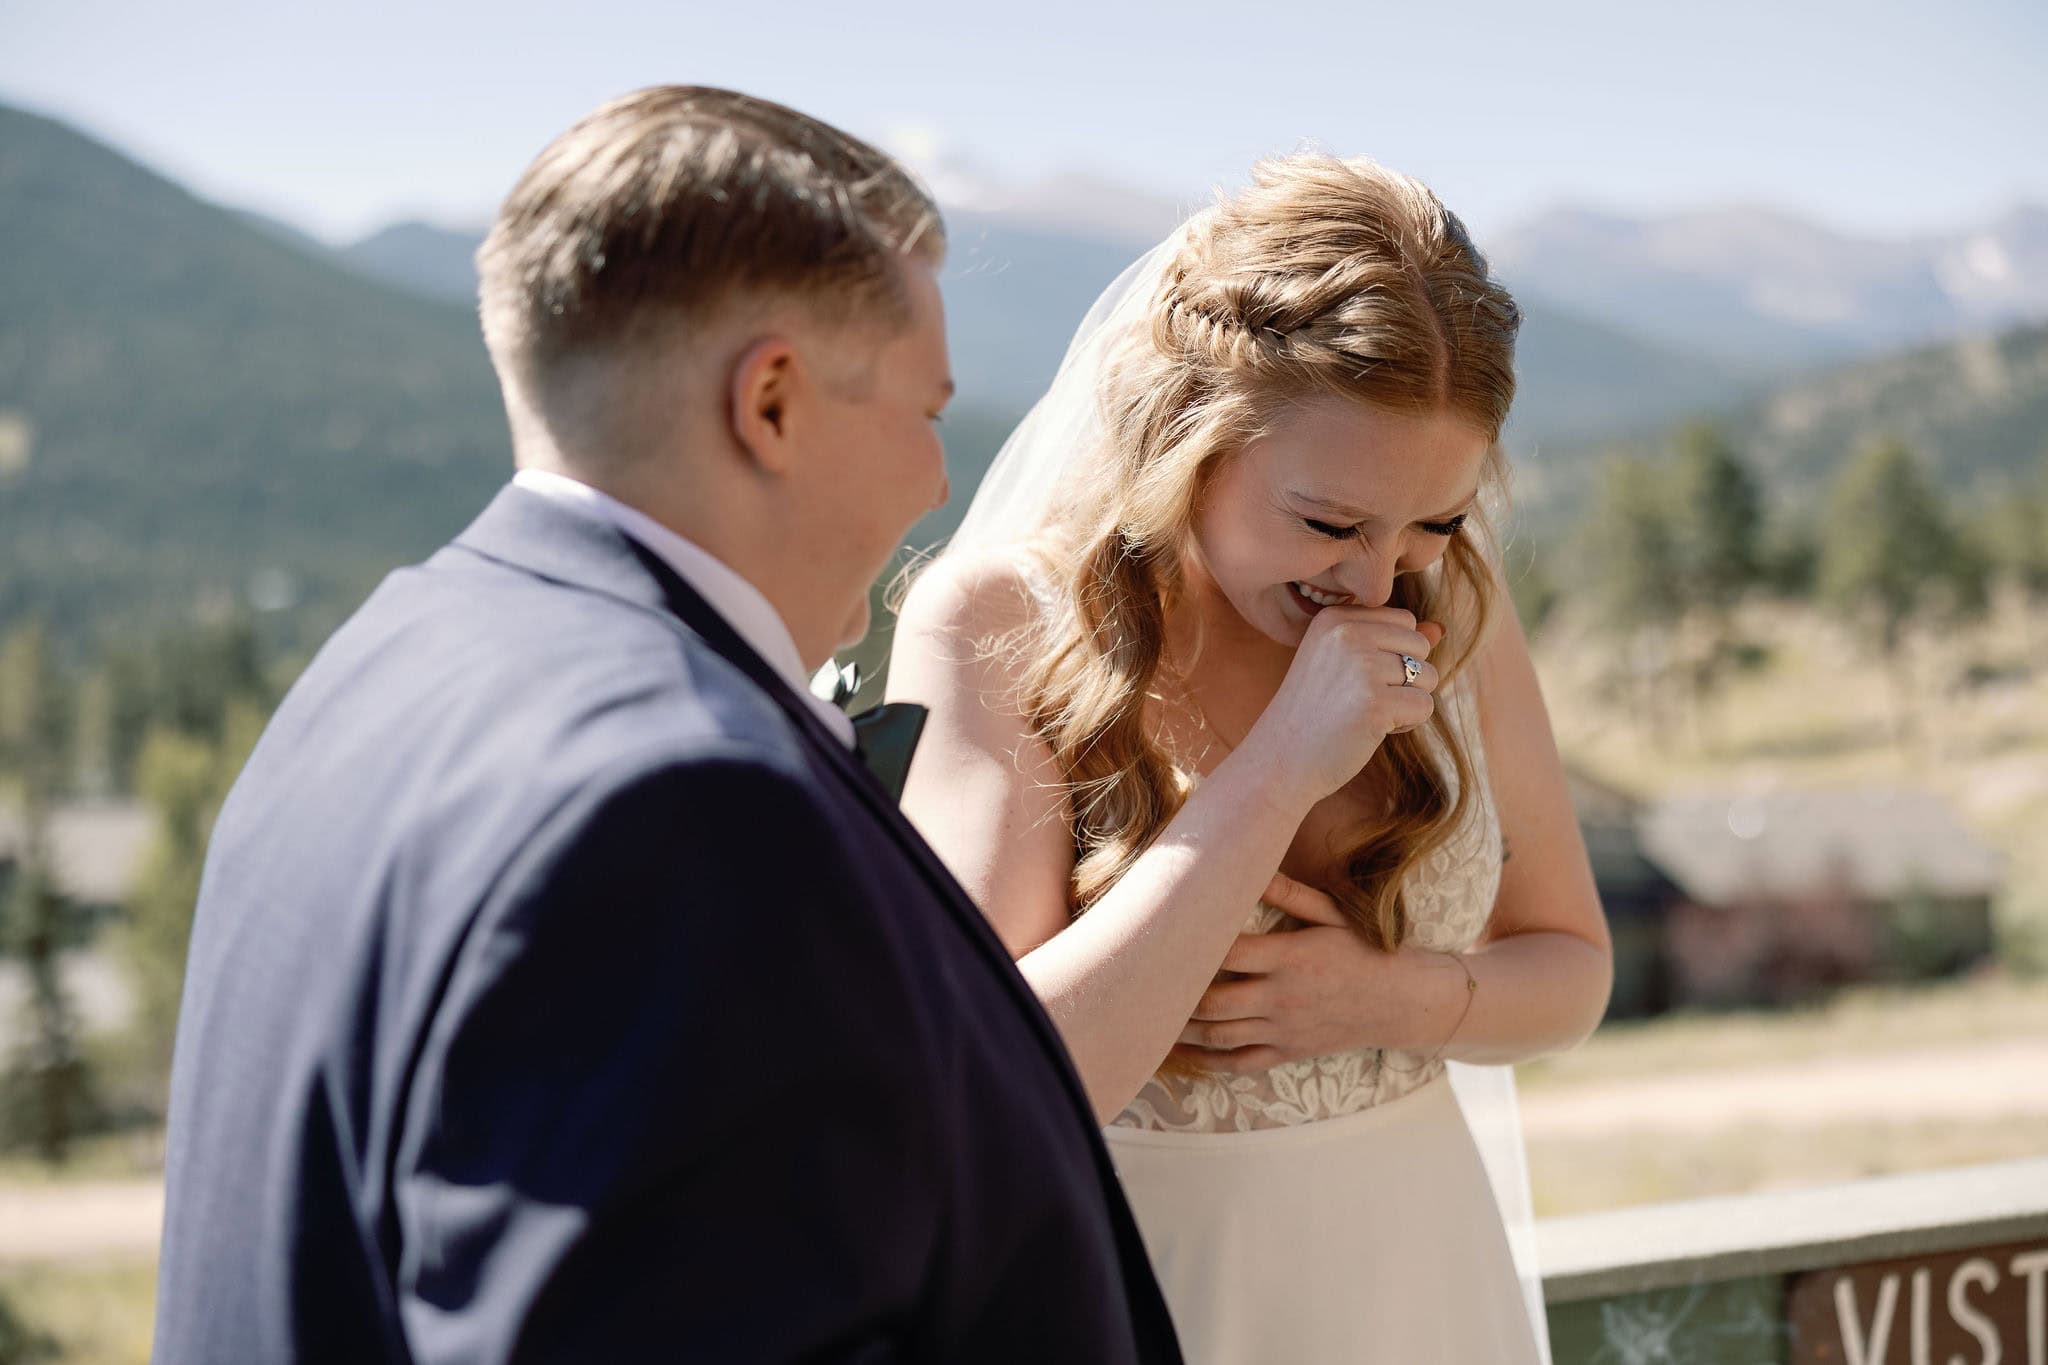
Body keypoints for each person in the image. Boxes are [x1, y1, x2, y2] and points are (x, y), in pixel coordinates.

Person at [152, 86, 1181, 1364]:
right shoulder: (683, 809)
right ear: (772, 403)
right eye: (925, 412)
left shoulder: (380, 662)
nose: (936, 482)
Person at [887, 153, 1612, 1362]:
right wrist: (1281, 764)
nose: (1374, 582)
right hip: (1139, 1287)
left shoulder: (1457, 614)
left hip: (1422, 1276)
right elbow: (1002, 1078)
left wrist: (1386, 1000)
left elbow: (1571, 970)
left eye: (1431, 522)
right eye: (1327, 522)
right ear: (1188, 437)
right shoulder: (996, 618)